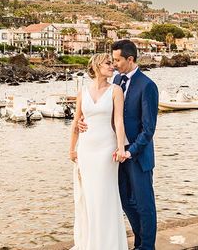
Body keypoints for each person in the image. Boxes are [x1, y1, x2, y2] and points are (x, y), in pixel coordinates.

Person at [69, 53, 129, 250]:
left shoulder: (116, 90)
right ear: (96, 66)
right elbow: (76, 122)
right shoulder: (82, 92)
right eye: (108, 63)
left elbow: (119, 121)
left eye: (113, 63)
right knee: (89, 196)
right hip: (86, 150)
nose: (112, 66)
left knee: (105, 195)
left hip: (106, 149)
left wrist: (121, 147)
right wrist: (72, 149)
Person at [109, 39, 159, 250]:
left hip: (137, 156)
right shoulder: (116, 80)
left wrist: (131, 152)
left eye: (117, 60)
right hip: (118, 153)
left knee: (144, 204)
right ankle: (140, 241)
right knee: (125, 201)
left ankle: (147, 247)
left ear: (130, 59)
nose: (114, 64)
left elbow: (148, 129)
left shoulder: (147, 85)